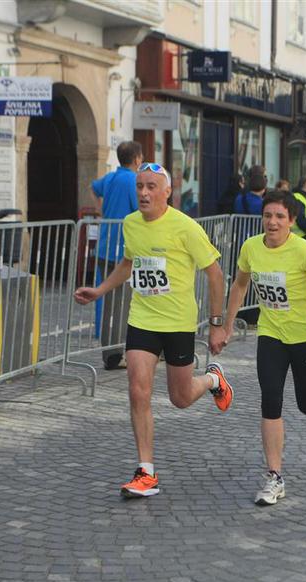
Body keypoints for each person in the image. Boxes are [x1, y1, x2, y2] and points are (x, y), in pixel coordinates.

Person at [74, 163, 232, 498]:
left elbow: (215, 275)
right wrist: (100, 290)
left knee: (180, 398)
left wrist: (217, 325)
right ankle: (146, 471)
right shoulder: (131, 223)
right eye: (140, 187)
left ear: (167, 192)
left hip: (177, 323)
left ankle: (212, 380)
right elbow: (128, 263)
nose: (144, 193)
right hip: (142, 319)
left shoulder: (185, 227)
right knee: (137, 390)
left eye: (151, 187)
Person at [220, 190, 306, 506]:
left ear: (291, 221)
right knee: (271, 399)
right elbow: (240, 285)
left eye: (280, 216)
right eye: (268, 215)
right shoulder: (251, 247)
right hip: (271, 334)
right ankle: (274, 476)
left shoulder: (304, 251)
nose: (273, 222)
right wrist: (226, 326)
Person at [90, 141, 142, 370]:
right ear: (137, 159)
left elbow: (93, 187)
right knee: (122, 304)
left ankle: (109, 352)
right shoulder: (132, 181)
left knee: (109, 303)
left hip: (104, 246)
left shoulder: (110, 177)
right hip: (123, 250)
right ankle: (117, 353)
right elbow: (141, 211)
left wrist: (101, 209)